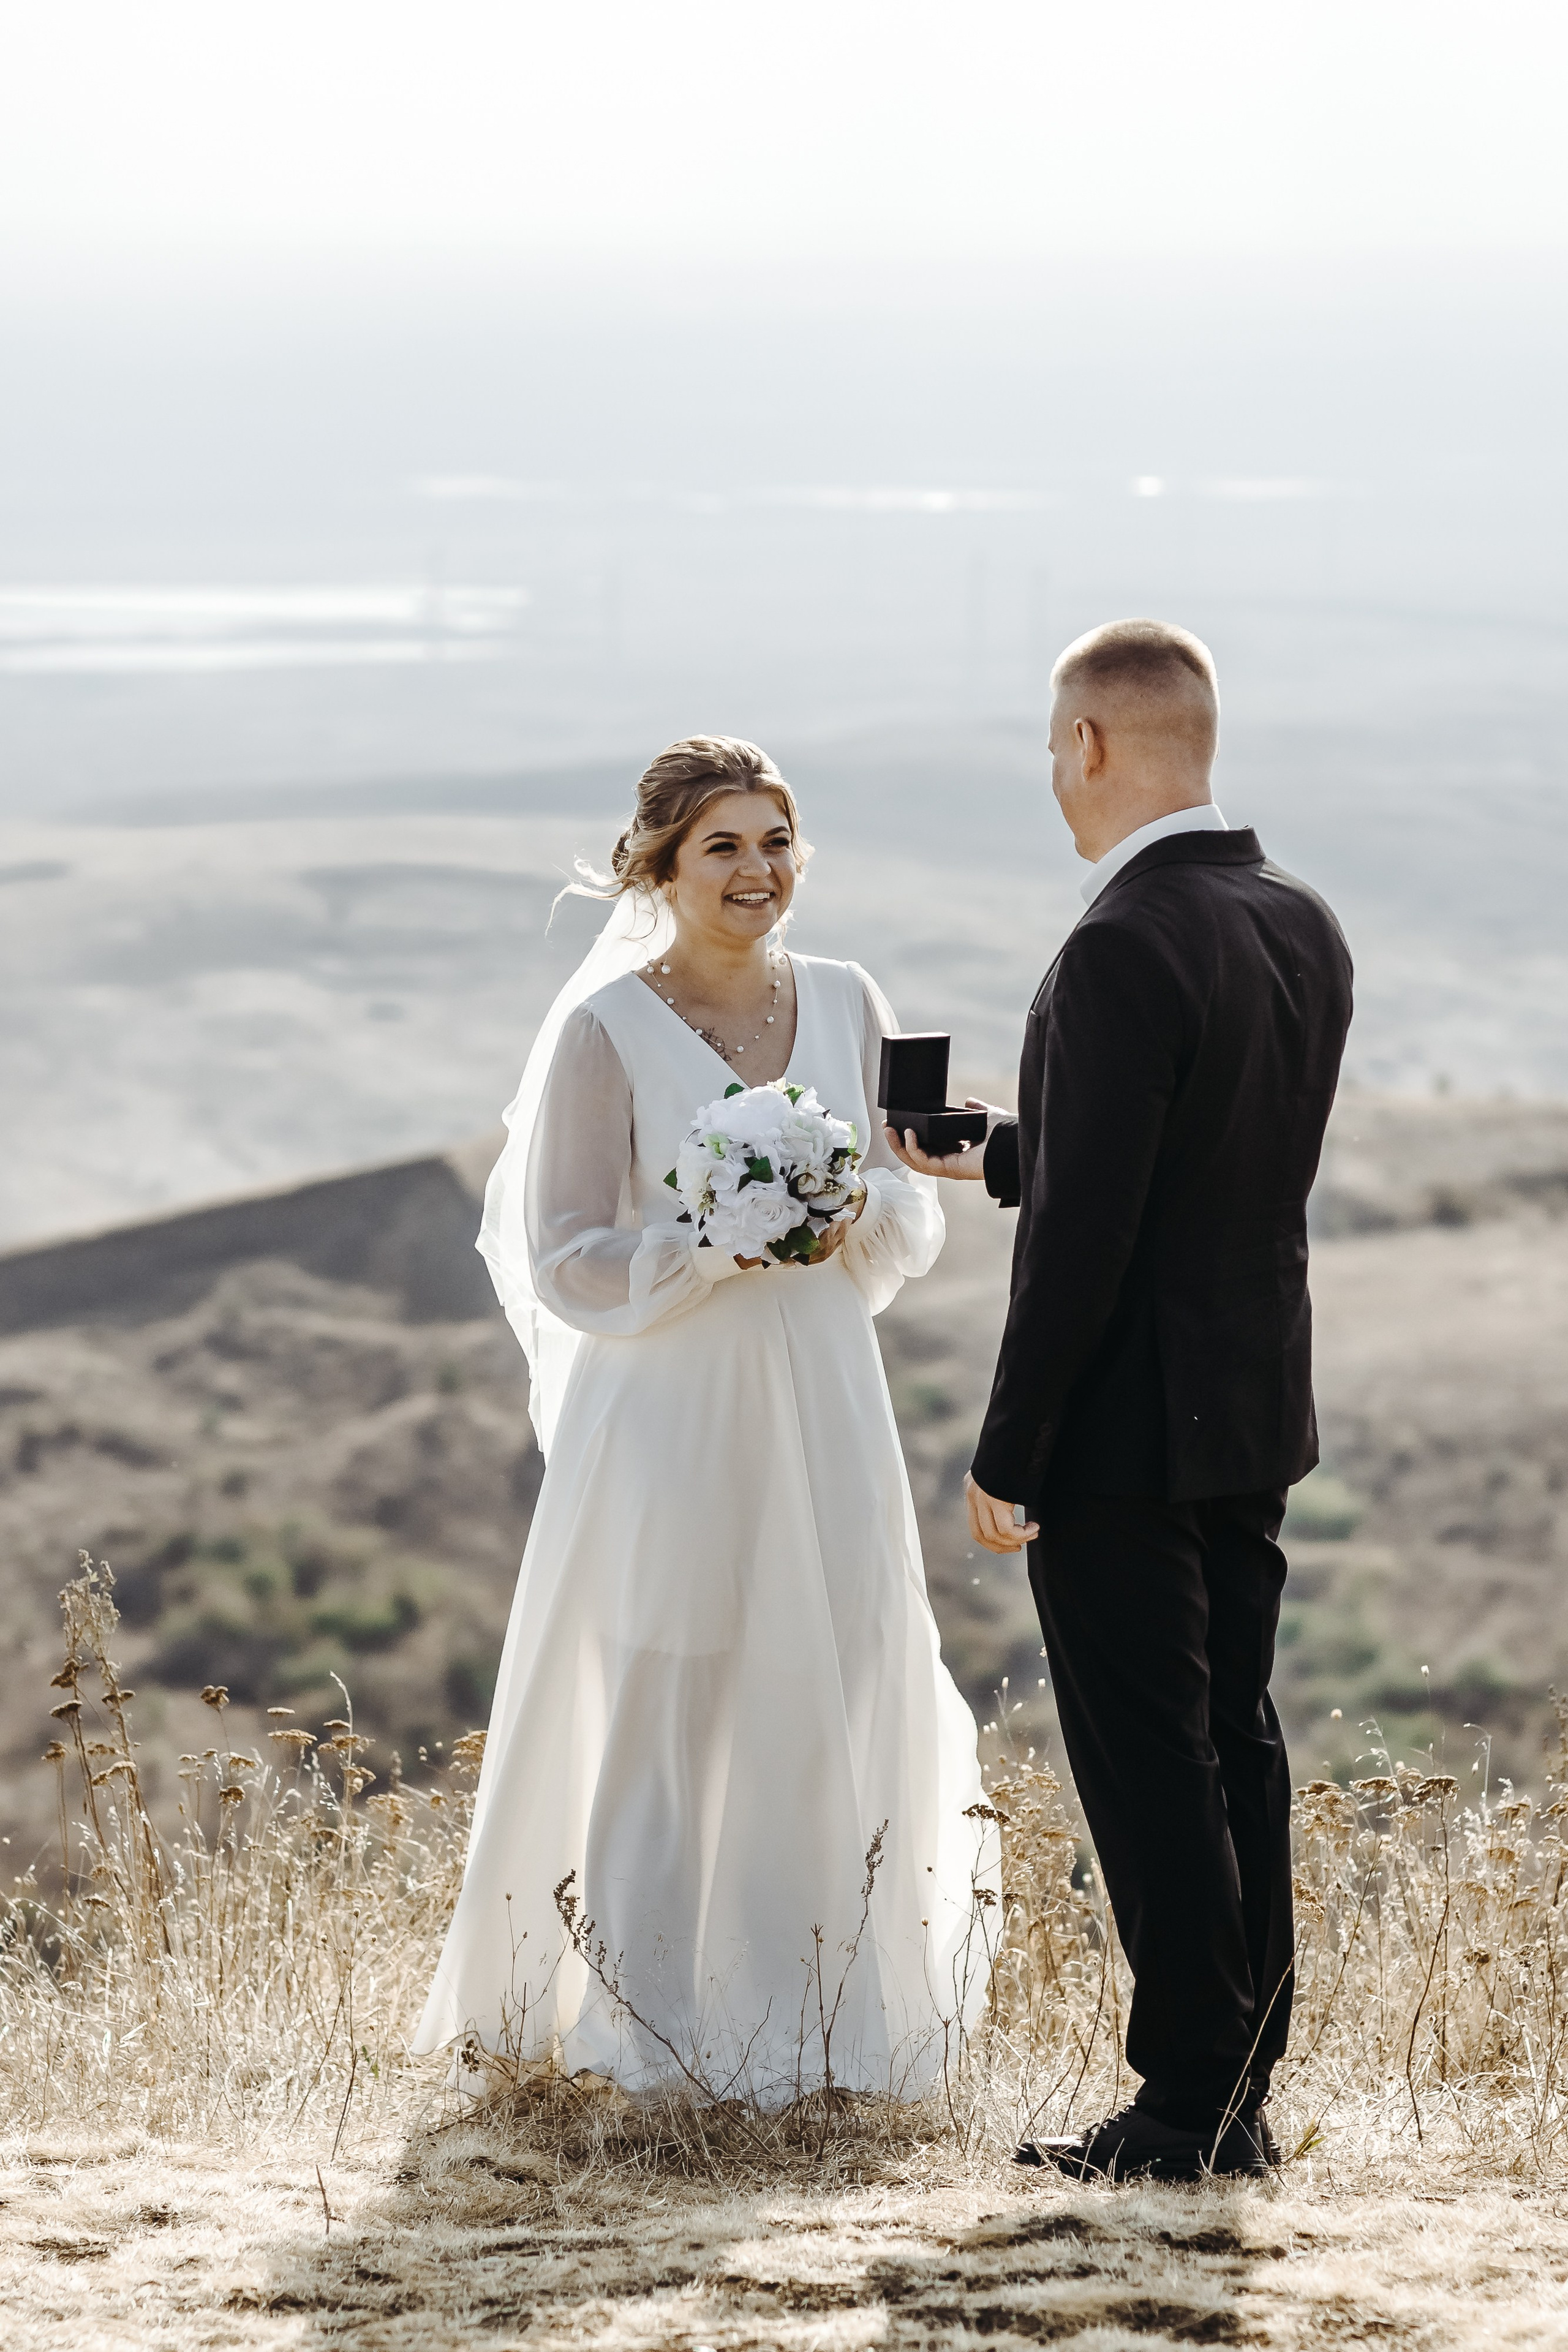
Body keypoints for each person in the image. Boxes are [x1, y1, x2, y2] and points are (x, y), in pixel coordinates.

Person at [414, 735, 997, 2100]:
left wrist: (855, 1208)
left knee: (839, 1661)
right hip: (669, 1397)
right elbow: (561, 1252)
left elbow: (906, 1213)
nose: (757, 872)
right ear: (660, 868)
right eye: (723, 847)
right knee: (669, 1674)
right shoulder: (605, 1028)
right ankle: (644, 2024)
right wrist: (709, 1245)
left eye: (776, 841)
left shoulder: (850, 1000)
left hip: (820, 1384)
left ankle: (816, 2008)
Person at [892, 620, 1353, 2180]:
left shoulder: (1114, 943)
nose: (1051, 780)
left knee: (1147, 1761)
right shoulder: (1294, 919)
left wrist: (1010, 1448)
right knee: (1232, 1739)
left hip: (1119, 1429)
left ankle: (1178, 2113)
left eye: (1048, 750)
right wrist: (1004, 1149)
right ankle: (1237, 2092)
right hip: (1248, 1409)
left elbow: (1087, 1245)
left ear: (1089, 744)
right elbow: (1190, 1171)